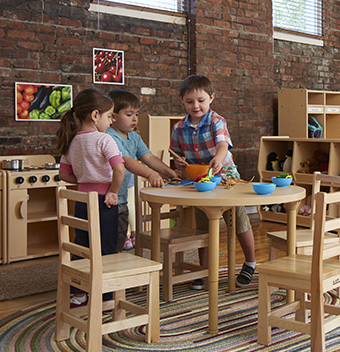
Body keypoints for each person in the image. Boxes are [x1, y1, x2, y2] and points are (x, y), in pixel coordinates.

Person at [169, 74, 256, 289]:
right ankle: (205, 270)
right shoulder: (179, 127)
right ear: (182, 101)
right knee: (204, 227)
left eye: (200, 100)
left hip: (226, 178)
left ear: (211, 98)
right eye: (189, 102)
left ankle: (250, 262)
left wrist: (217, 158)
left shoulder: (217, 121)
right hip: (200, 181)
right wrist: (178, 163)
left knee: (238, 222)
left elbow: (223, 145)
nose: (195, 106)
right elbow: (176, 153)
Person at [56, 88, 125, 306]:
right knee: (106, 249)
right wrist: (113, 191)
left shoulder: (72, 141)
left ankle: (79, 294)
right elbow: (120, 169)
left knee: (82, 246)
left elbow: (63, 174)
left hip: (82, 202)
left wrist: (84, 179)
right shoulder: (104, 140)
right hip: (104, 202)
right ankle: (104, 296)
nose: (110, 122)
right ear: (95, 116)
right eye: (108, 116)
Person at [106, 89, 179, 250]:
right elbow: (127, 162)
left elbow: (149, 157)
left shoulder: (134, 137)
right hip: (108, 198)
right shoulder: (109, 136)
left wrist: (169, 172)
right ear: (113, 116)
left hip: (121, 198)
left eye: (136, 114)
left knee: (118, 241)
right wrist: (150, 173)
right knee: (109, 243)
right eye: (129, 114)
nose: (135, 119)